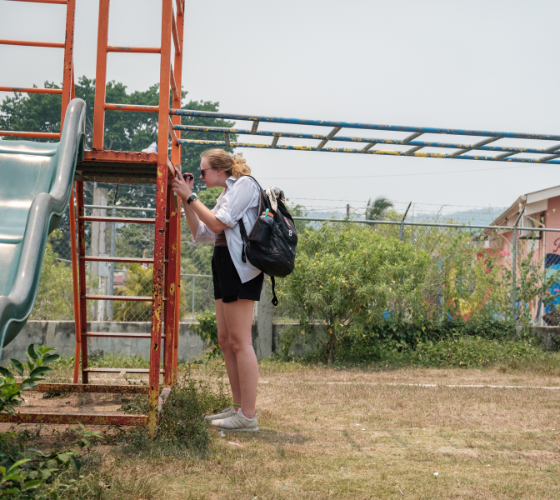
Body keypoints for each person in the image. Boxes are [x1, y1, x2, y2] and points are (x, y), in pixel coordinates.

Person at [171, 149, 263, 432]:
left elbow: (216, 222)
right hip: (223, 264)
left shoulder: (245, 186)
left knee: (240, 342)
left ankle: (247, 416)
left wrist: (190, 195)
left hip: (241, 268)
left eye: (203, 171)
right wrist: (186, 200)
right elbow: (202, 234)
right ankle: (237, 408)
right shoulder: (225, 194)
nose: (200, 176)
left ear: (221, 170)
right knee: (226, 340)